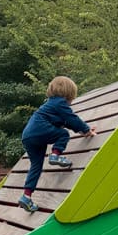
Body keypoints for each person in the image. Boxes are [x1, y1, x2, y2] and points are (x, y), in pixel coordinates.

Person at [19, 76, 97, 213]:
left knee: (36, 166)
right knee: (63, 134)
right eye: (72, 99)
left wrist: (81, 131)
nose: (71, 103)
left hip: (28, 136)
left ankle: (26, 196)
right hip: (39, 130)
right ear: (68, 94)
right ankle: (55, 155)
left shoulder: (50, 105)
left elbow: (66, 122)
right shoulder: (60, 103)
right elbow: (71, 118)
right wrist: (86, 129)